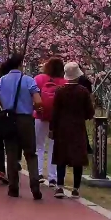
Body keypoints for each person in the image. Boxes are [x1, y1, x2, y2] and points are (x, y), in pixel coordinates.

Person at [0, 53, 43, 199]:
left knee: (11, 154)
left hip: (9, 120)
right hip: (26, 120)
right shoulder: (28, 80)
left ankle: (13, 188)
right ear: (20, 64)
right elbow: (38, 101)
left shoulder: (2, 80)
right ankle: (35, 186)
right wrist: (35, 108)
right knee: (30, 154)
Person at [50, 62, 94, 199]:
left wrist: (52, 128)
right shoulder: (83, 91)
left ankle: (60, 187)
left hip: (61, 128)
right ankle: (75, 189)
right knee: (78, 158)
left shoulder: (59, 91)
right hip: (78, 128)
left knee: (61, 157)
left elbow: (55, 112)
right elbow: (90, 113)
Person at [33, 57, 65, 188]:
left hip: (40, 116)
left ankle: (39, 173)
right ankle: (53, 177)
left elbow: (33, 96)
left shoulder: (39, 79)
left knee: (39, 146)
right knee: (53, 148)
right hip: (57, 119)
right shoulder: (64, 82)